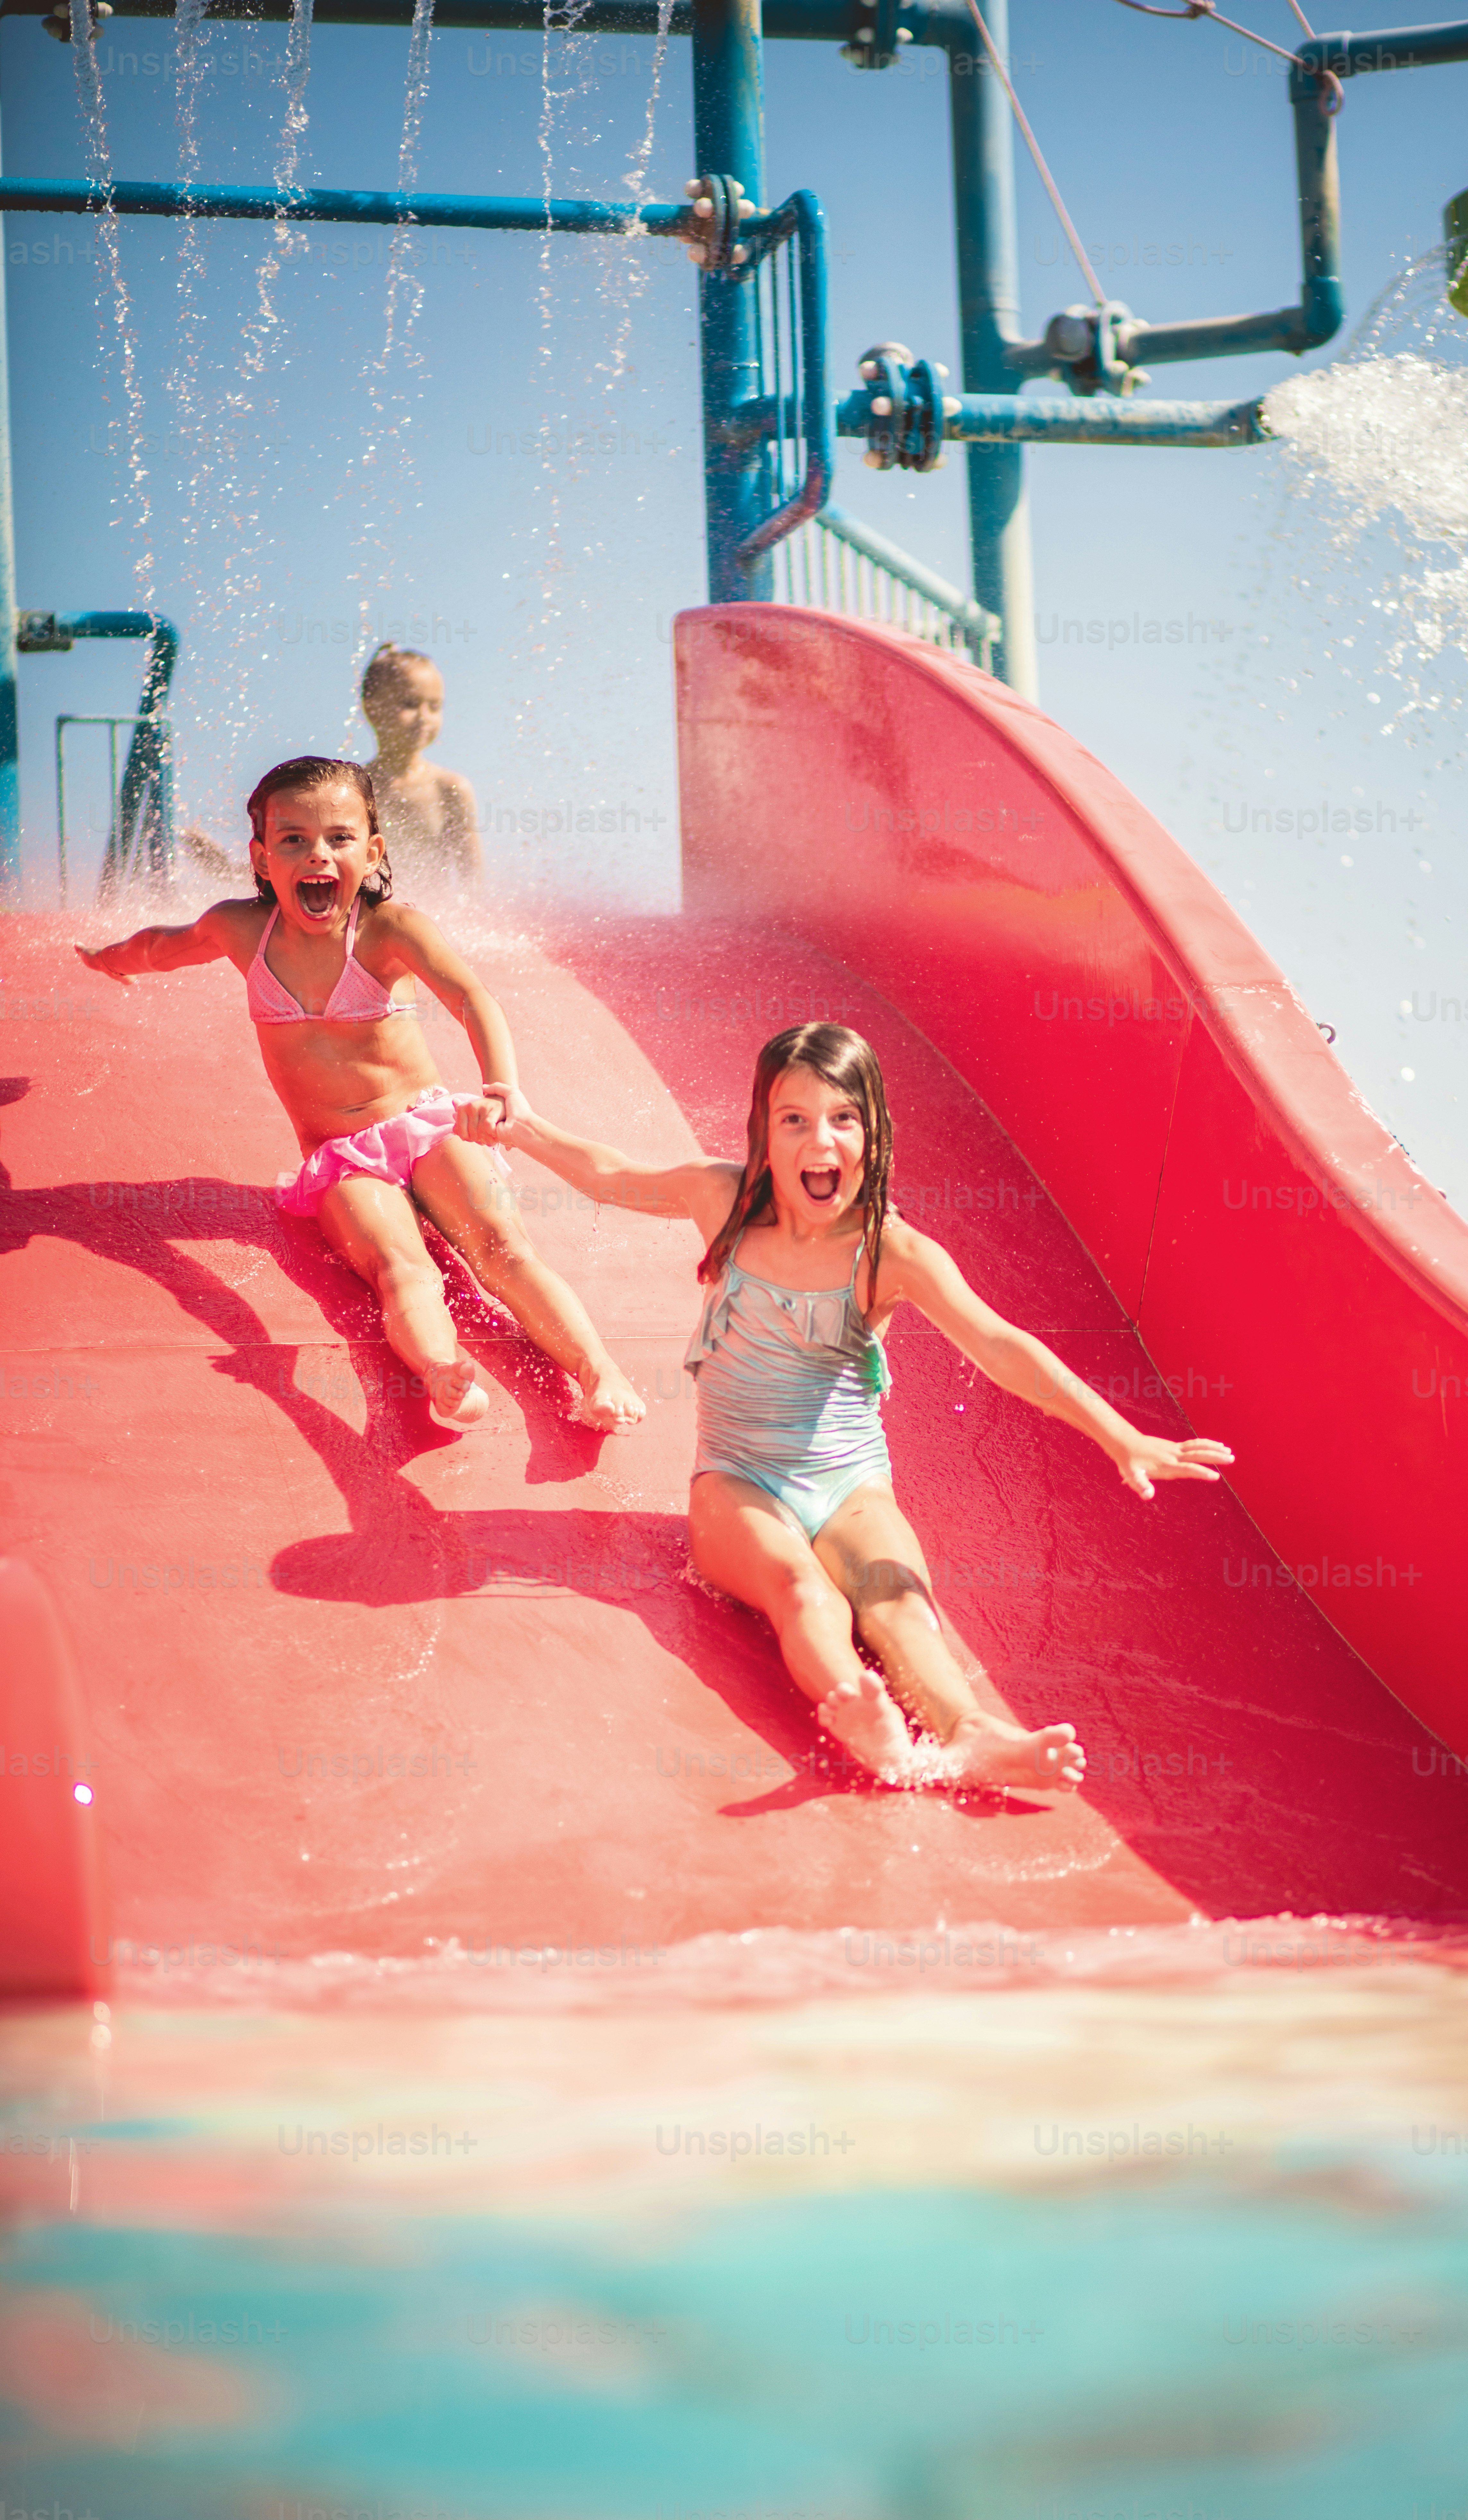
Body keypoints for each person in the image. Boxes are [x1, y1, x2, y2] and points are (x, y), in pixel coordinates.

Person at [471, 1023, 1234, 1789]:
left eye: (842, 1118)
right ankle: (865, 1718)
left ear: (873, 1131)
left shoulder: (889, 1252)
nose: (820, 1141)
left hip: (850, 1483)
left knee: (897, 1599)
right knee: (800, 1591)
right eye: (793, 1119)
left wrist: (1119, 1434)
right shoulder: (722, 1199)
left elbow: (998, 1345)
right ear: (762, 1131)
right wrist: (523, 1126)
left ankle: (971, 1733)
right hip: (736, 1482)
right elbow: (611, 1174)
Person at [75, 755, 643, 1436]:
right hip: (343, 1161)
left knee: (503, 1250)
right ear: (261, 858)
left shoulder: (388, 930)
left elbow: (472, 998)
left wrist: (502, 1090)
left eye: (339, 837)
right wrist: (111, 958)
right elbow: (166, 945)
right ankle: (442, 1371)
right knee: (400, 1268)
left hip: (426, 1127)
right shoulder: (241, 930)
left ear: (372, 852)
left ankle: (598, 1371)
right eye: (294, 839)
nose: (318, 853)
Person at [360, 644, 482, 893]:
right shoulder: (356, 788)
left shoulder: (450, 789)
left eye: (435, 706)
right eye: (410, 704)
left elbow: (473, 880)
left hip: (430, 914)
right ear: (372, 709)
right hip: (369, 914)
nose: (424, 717)